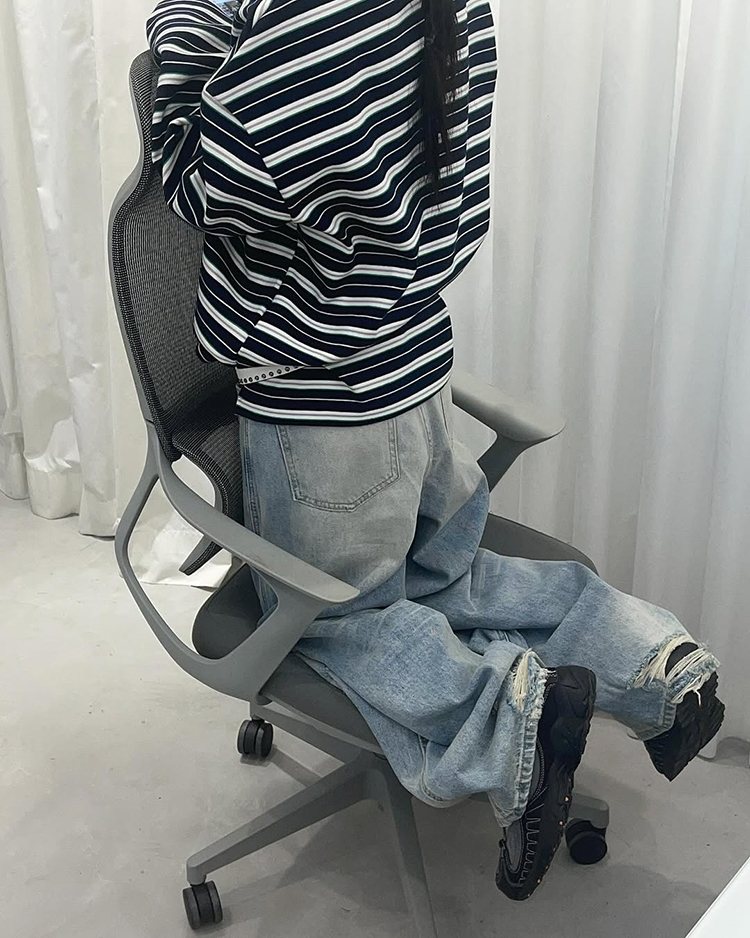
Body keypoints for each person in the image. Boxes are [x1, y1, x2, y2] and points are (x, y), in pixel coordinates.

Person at [147, 0, 725, 901]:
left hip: (323, 410)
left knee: (337, 619)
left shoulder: (303, 30)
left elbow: (190, 179)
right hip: (415, 372)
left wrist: (187, 22)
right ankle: (654, 664)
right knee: (453, 578)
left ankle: (513, 725)